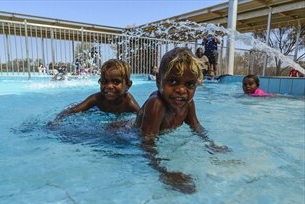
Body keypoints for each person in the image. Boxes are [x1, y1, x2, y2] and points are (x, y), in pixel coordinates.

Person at [135, 47, 230, 194]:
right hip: (125, 133)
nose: (181, 90)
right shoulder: (156, 105)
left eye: (189, 84)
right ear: (159, 81)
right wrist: (164, 171)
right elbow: (147, 142)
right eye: (173, 81)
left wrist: (210, 144)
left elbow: (196, 127)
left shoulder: (188, 104)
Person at [53, 59, 140, 122]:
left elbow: (143, 118)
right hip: (95, 112)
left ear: (128, 85)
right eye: (104, 81)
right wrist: (57, 120)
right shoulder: (97, 99)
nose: (109, 86)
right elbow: (73, 110)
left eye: (116, 82)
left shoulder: (128, 102)